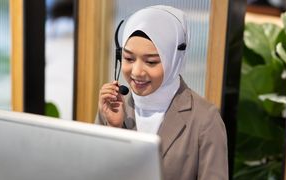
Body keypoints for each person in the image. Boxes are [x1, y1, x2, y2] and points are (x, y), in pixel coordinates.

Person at [96, 5, 228, 180]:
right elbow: (96, 171)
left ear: (174, 60)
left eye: (150, 62)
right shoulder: (113, 106)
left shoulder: (205, 119)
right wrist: (114, 129)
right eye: (128, 58)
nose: (136, 72)